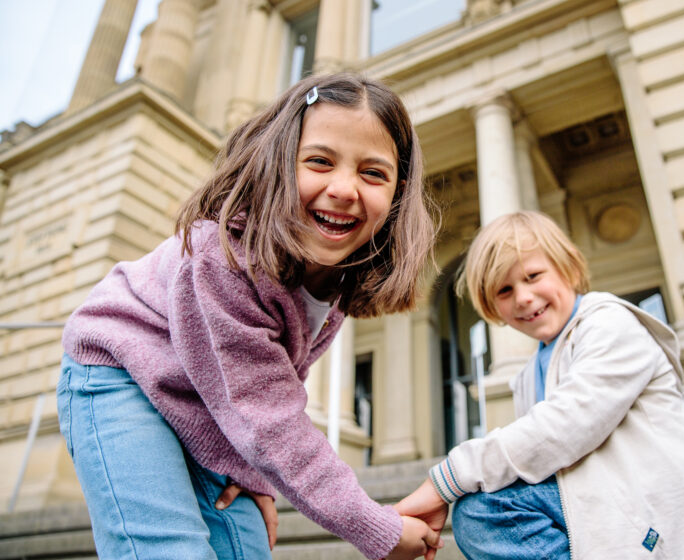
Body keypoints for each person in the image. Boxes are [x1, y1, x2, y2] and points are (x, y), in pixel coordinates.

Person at [58, 73, 442, 560]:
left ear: (397, 194)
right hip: (120, 375)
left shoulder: (337, 277)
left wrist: (255, 475)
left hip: (205, 401)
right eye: (320, 162)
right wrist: (376, 526)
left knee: (247, 545)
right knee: (168, 549)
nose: (345, 189)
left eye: (373, 173)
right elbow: (267, 414)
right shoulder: (226, 258)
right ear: (280, 163)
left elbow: (269, 382)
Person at [396, 211, 684, 559]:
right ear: (491, 304)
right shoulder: (528, 375)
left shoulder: (610, 325)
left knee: (483, 511)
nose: (523, 297)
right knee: (481, 509)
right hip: (595, 515)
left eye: (533, 276)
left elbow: (564, 427)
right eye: (505, 290)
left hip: (651, 528)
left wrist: (447, 480)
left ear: (568, 268)